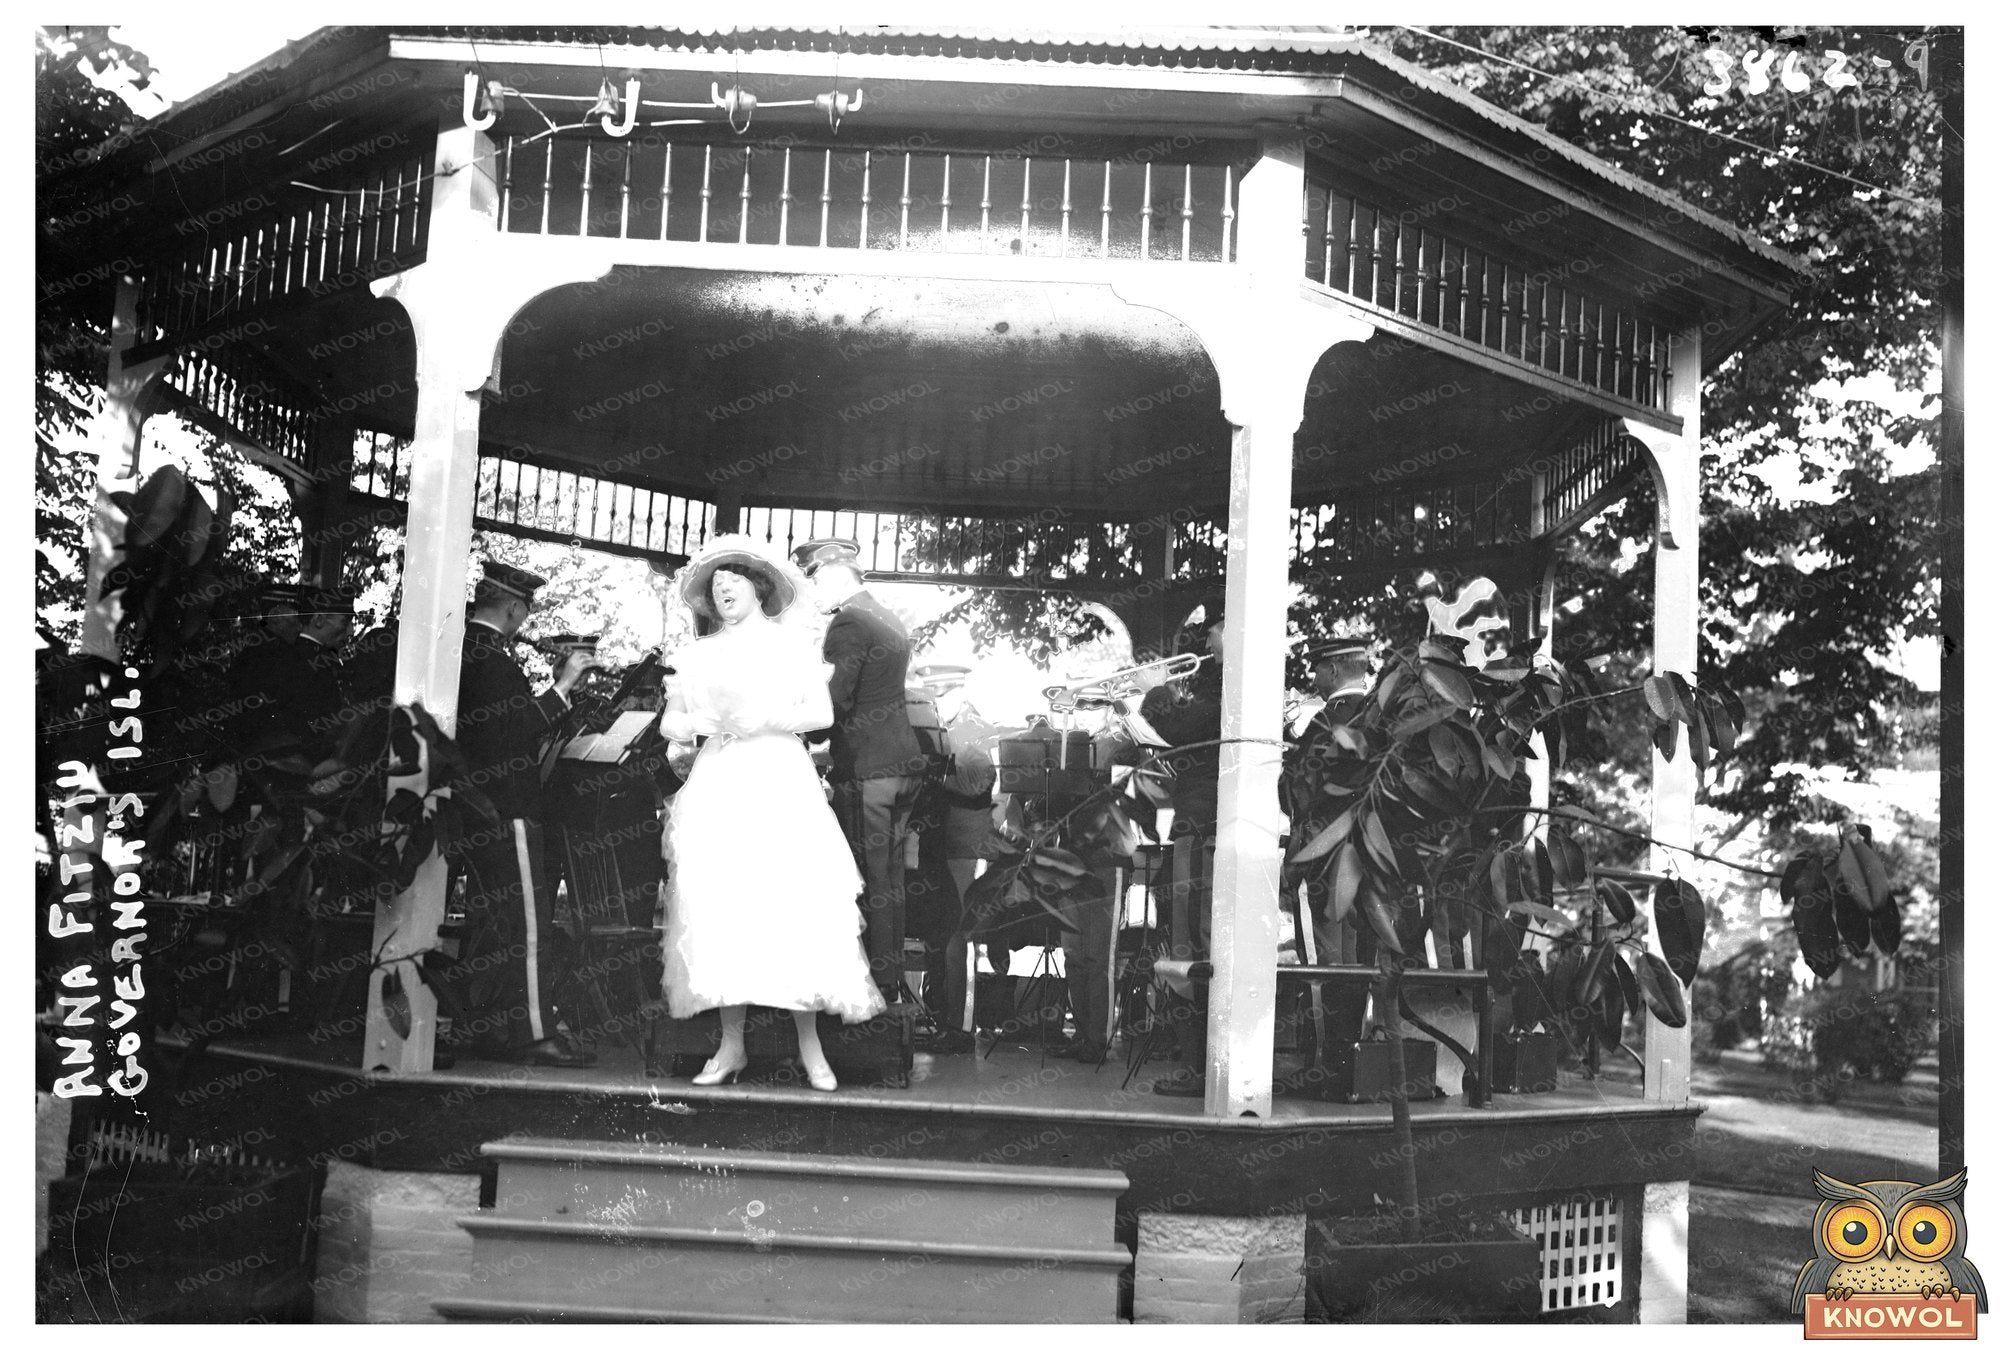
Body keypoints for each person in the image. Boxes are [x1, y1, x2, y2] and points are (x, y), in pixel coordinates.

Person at [658, 536, 884, 1091]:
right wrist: (699, 725)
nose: (724, 590)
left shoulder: (792, 645)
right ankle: (730, 1045)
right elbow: (672, 721)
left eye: (734, 581)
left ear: (759, 588)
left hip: (780, 780)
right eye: (716, 586)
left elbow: (821, 712)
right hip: (720, 782)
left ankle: (811, 1046)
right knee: (722, 905)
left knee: (790, 901)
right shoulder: (698, 653)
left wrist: (764, 720)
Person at [453, 559, 600, 1068]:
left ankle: (483, 1025)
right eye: (524, 611)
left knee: (492, 922)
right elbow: (514, 732)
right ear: (514, 607)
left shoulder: (466, 650)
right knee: (529, 925)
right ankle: (536, 1034)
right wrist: (564, 687)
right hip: (507, 807)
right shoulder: (491, 660)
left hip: (479, 808)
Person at [792, 538, 928, 1008]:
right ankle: (889, 981)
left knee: (868, 878)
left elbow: (836, 700)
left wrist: (802, 735)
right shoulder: (888, 616)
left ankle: (873, 989)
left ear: (831, 574)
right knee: (890, 878)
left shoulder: (848, 621)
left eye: (812, 581)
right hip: (903, 764)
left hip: (869, 768)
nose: (812, 593)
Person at [1135, 606, 1227, 1096]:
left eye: (1211, 629)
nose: (1205, 639)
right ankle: (1199, 1062)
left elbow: (1183, 725)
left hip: (1202, 822)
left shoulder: (1226, 683)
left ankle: (1199, 1067)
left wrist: (1154, 687)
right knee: (1191, 938)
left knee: (1193, 941)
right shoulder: (1216, 681)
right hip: (1200, 817)